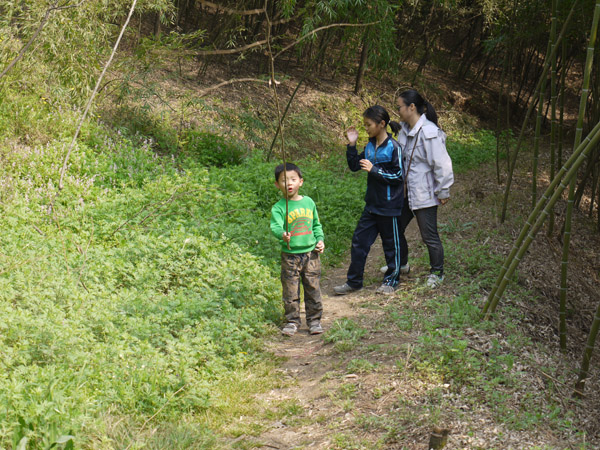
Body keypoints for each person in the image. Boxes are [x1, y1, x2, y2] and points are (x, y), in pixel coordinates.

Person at [383, 89, 454, 288]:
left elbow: (441, 163)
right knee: (395, 226)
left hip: (425, 192)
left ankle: (437, 272)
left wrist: (443, 189)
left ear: (411, 107)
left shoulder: (430, 132)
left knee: (429, 235)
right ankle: (403, 264)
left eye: (399, 106)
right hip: (406, 193)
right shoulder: (405, 129)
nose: (397, 110)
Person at [334, 105, 404, 296]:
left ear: (382, 124)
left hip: (390, 206)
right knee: (359, 242)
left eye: (369, 124)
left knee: (391, 246)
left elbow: (398, 176)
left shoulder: (394, 147)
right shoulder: (370, 146)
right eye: (364, 124)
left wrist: (375, 170)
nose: (366, 128)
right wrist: (351, 145)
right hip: (372, 206)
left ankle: (391, 280)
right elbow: (355, 166)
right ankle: (354, 281)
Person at [270, 162, 325, 336]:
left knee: (312, 288)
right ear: (277, 185)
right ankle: (292, 321)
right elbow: (275, 226)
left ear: (301, 181)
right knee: (290, 290)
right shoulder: (279, 207)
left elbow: (316, 224)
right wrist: (282, 234)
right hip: (290, 256)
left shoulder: (308, 202)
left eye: (293, 179)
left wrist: (320, 240)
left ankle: (314, 321)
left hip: (311, 254)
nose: (289, 183)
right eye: (284, 180)